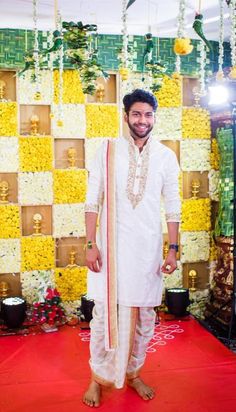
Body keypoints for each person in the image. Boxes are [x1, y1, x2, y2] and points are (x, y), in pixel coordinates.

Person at [83, 89, 181, 407]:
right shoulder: (108, 150)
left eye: (148, 114)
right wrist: (89, 243)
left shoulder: (166, 156)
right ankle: (98, 378)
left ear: (154, 117)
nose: (142, 120)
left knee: (144, 318)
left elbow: (173, 207)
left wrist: (172, 250)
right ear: (125, 116)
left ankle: (134, 372)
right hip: (111, 251)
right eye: (136, 114)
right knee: (103, 317)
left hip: (147, 252)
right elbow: (91, 199)